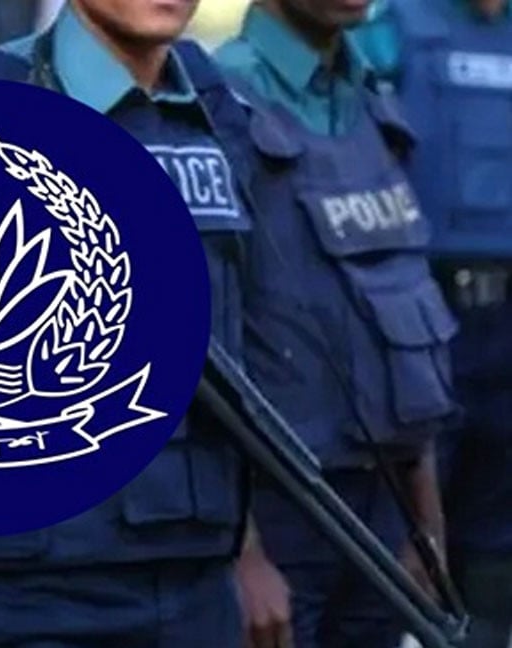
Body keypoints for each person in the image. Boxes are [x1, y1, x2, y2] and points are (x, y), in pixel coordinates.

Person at [0, 0, 259, 645]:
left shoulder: (218, 113)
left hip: (195, 580)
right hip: (24, 593)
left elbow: (254, 355)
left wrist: (253, 552)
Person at [214, 2, 461, 647]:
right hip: (278, 515)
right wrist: (241, 554)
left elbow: (401, 302)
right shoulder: (219, 101)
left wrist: (426, 522)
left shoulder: (371, 97)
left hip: (386, 516)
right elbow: (203, 352)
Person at [353, 1, 512, 646]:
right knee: (405, 537)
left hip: (506, 326)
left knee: (498, 545)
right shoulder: (391, 26)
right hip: (419, 318)